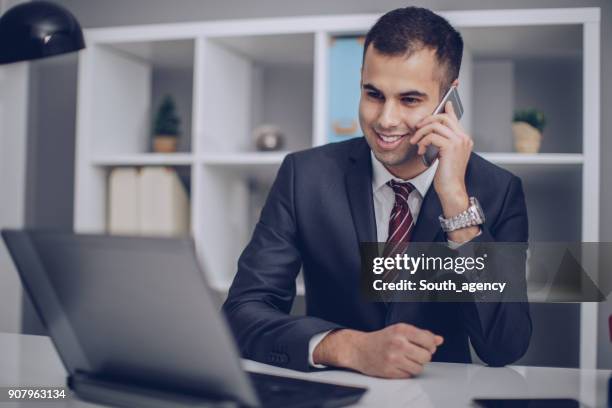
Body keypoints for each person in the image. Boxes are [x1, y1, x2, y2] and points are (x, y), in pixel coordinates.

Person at [222, 6, 531, 379]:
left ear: (448, 99)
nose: (386, 119)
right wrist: (345, 346)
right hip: (333, 395)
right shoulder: (303, 176)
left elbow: (504, 345)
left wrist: (456, 207)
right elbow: (243, 311)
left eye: (410, 100)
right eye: (373, 94)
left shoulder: (497, 191)